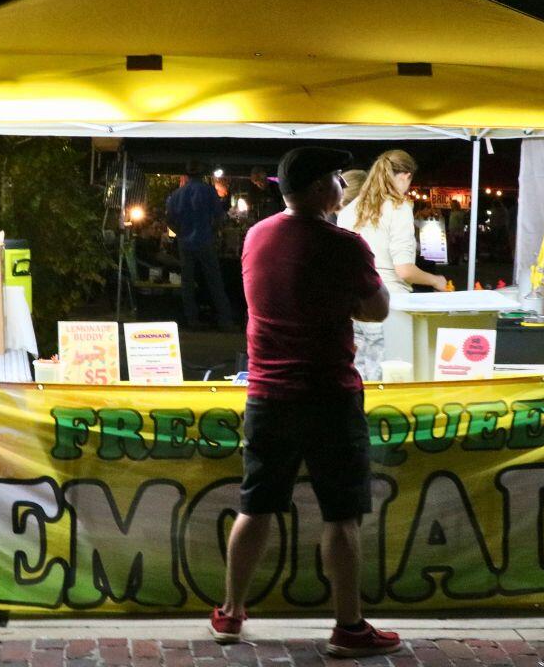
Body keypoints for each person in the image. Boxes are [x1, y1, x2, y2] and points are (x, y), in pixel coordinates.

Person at [211, 146, 400, 657]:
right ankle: (348, 627)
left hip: (268, 395)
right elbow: (378, 310)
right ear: (322, 189)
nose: (343, 184)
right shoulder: (345, 244)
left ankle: (230, 614)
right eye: (338, 177)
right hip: (328, 396)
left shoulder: (256, 236)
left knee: (257, 504)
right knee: (341, 515)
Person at [337, 149, 448, 380]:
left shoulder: (349, 210)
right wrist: (436, 280)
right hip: (388, 305)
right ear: (405, 176)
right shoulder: (398, 208)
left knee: (358, 376)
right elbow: (404, 270)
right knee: (387, 379)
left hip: (353, 305)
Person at [165, 161, 235, 330]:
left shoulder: (176, 194)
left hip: (185, 242)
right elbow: (219, 217)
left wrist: (180, 232)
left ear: (187, 175)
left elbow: (169, 219)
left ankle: (192, 320)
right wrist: (212, 231)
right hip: (205, 239)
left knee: (187, 282)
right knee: (214, 281)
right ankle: (225, 320)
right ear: (202, 174)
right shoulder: (208, 191)